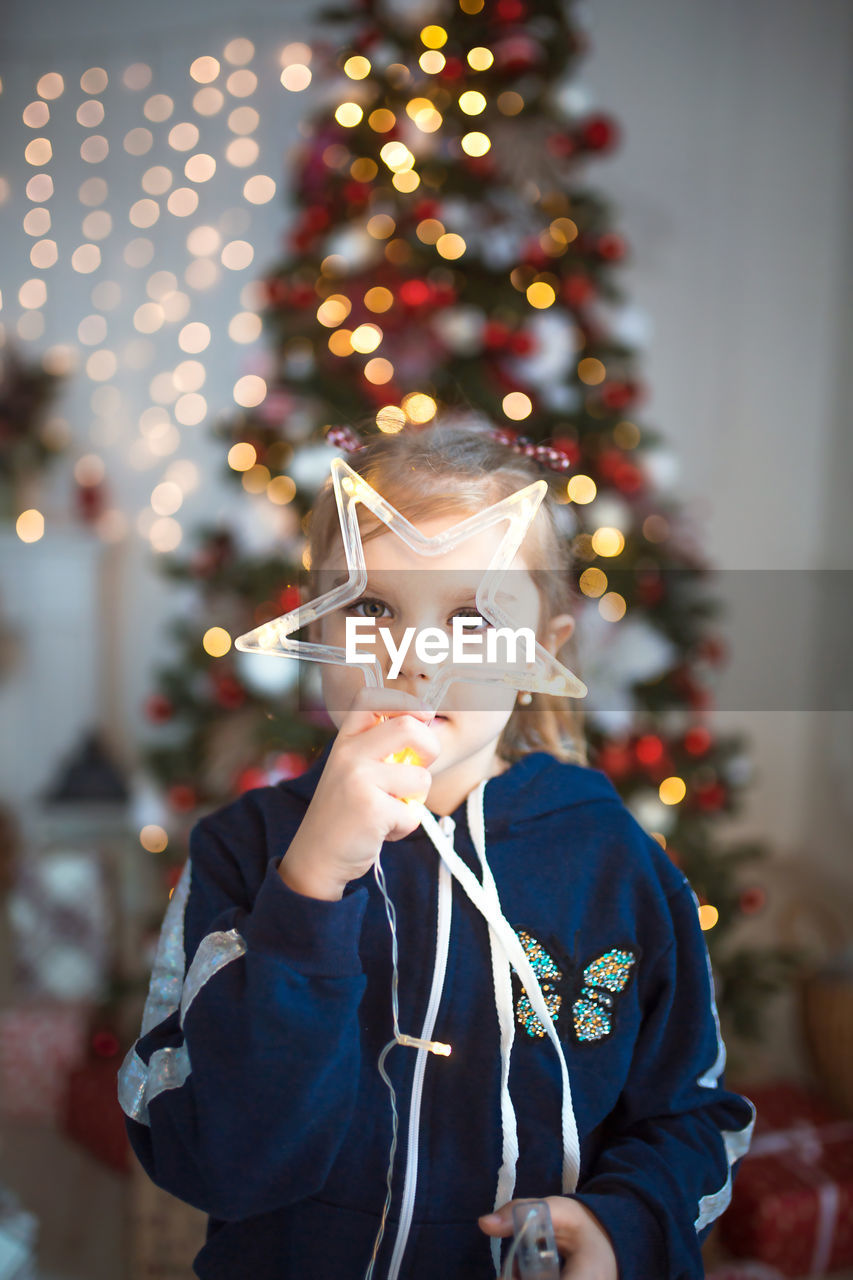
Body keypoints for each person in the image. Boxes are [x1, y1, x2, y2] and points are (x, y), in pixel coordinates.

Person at [119, 421, 754, 1280]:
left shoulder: (619, 869)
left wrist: (624, 1226)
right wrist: (309, 889)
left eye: (471, 617)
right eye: (372, 607)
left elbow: (691, 1115)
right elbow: (209, 1158)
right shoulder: (243, 852)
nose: (415, 660)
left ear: (540, 651)